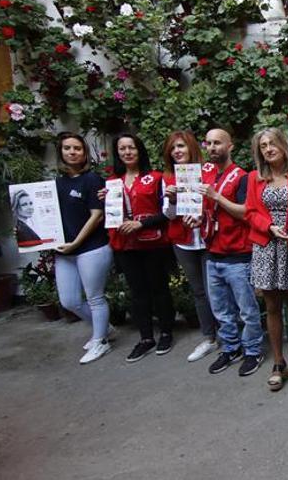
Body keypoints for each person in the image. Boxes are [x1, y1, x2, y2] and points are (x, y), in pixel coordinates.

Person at [246, 128, 288, 391]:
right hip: (266, 246)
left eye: (273, 143)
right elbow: (250, 212)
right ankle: (278, 361)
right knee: (272, 305)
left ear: (283, 145)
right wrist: (268, 226)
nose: (268, 149)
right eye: (263, 146)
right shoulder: (255, 178)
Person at [99, 133, 176, 363]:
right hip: (124, 244)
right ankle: (145, 338)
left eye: (131, 147)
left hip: (153, 242)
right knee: (137, 292)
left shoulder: (155, 178)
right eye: (122, 148)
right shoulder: (112, 182)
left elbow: (167, 213)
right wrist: (103, 199)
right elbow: (110, 215)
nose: (127, 152)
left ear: (139, 150)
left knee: (159, 288)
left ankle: (165, 332)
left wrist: (141, 223)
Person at [197, 128, 265, 377]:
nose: (212, 147)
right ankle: (231, 348)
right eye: (209, 143)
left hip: (238, 255)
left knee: (247, 310)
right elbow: (209, 211)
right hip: (213, 254)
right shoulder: (207, 176)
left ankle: (253, 350)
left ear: (230, 146)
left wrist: (217, 198)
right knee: (221, 310)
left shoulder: (242, 177)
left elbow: (246, 212)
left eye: (217, 143)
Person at [53, 132, 114, 364]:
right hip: (63, 251)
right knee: (69, 301)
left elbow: (97, 216)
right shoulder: (56, 183)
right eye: (67, 148)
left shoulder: (92, 180)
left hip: (91, 247)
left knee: (95, 298)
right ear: (61, 152)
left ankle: (100, 341)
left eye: (77, 148)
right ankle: (105, 327)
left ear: (84, 153)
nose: (72, 152)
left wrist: (77, 243)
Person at [161, 131, 220, 363]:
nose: (177, 151)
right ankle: (209, 337)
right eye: (173, 148)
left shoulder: (210, 171)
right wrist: (173, 200)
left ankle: (230, 335)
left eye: (181, 146)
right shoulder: (168, 178)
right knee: (198, 291)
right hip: (183, 242)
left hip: (209, 239)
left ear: (192, 148)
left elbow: (219, 203)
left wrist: (203, 215)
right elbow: (168, 214)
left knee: (216, 290)